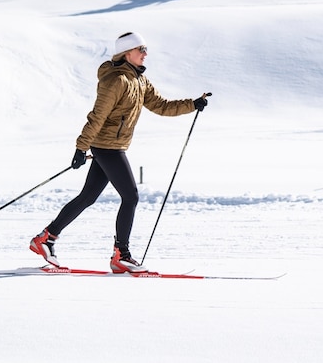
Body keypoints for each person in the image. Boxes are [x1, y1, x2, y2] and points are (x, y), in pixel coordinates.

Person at [30, 31, 209, 273]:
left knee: (88, 197)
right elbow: (98, 115)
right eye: (141, 49)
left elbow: (161, 105)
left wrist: (192, 104)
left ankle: (46, 238)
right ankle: (120, 255)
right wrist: (81, 147)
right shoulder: (116, 81)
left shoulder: (139, 80)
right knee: (131, 196)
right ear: (127, 53)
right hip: (107, 147)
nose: (145, 54)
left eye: (145, 49)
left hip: (113, 146)